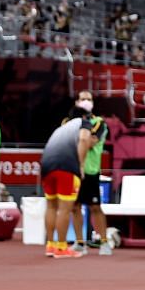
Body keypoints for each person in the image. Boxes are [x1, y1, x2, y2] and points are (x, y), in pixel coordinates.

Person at [40, 113, 99, 258]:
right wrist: (81, 164)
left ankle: (50, 245)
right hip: (66, 167)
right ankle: (61, 247)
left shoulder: (61, 129)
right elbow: (85, 139)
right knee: (65, 209)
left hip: (46, 166)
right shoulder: (84, 123)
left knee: (51, 207)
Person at [68, 92, 113, 256]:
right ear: (77, 102)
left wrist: (81, 140)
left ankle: (104, 242)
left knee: (95, 207)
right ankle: (80, 243)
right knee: (75, 206)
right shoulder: (68, 122)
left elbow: (91, 141)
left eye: (89, 99)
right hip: (72, 170)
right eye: (82, 99)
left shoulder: (99, 122)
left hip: (91, 171)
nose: (85, 102)